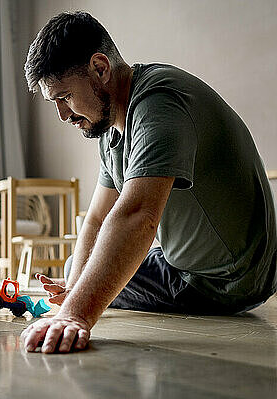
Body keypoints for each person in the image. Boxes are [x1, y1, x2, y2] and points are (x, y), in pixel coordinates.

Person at [20, 11, 276, 354]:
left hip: (229, 280)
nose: (63, 115)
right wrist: (74, 293)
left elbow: (138, 215)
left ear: (100, 68)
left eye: (65, 97)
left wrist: (74, 315)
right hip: (190, 268)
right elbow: (97, 218)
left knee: (87, 277)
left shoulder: (159, 102)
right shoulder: (111, 127)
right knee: (75, 270)